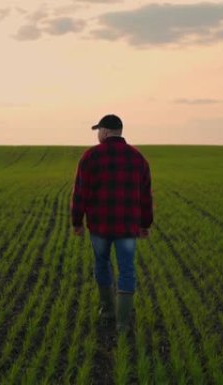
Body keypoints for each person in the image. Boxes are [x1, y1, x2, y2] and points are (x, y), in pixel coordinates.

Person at [71, 114, 153, 334]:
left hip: (99, 226)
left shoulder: (90, 157)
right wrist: (146, 223)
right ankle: (123, 323)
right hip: (127, 227)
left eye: (99, 130)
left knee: (102, 264)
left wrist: (77, 221)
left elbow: (80, 193)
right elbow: (146, 195)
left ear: (105, 132)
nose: (98, 134)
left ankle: (107, 310)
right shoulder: (138, 158)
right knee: (127, 269)